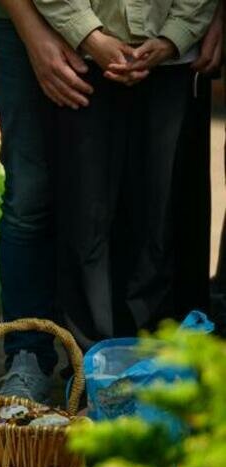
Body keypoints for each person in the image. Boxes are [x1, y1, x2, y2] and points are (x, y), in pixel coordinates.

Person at [33, 0, 218, 351]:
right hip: (81, 60)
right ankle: (91, 367)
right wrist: (88, 34)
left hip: (174, 61)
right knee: (84, 221)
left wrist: (174, 35)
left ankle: (150, 367)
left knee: (159, 221)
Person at [0, 0, 93, 403]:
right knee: (29, 197)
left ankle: (97, 354)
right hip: (20, 23)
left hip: (119, 27)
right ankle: (27, 353)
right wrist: (34, 34)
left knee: (100, 200)